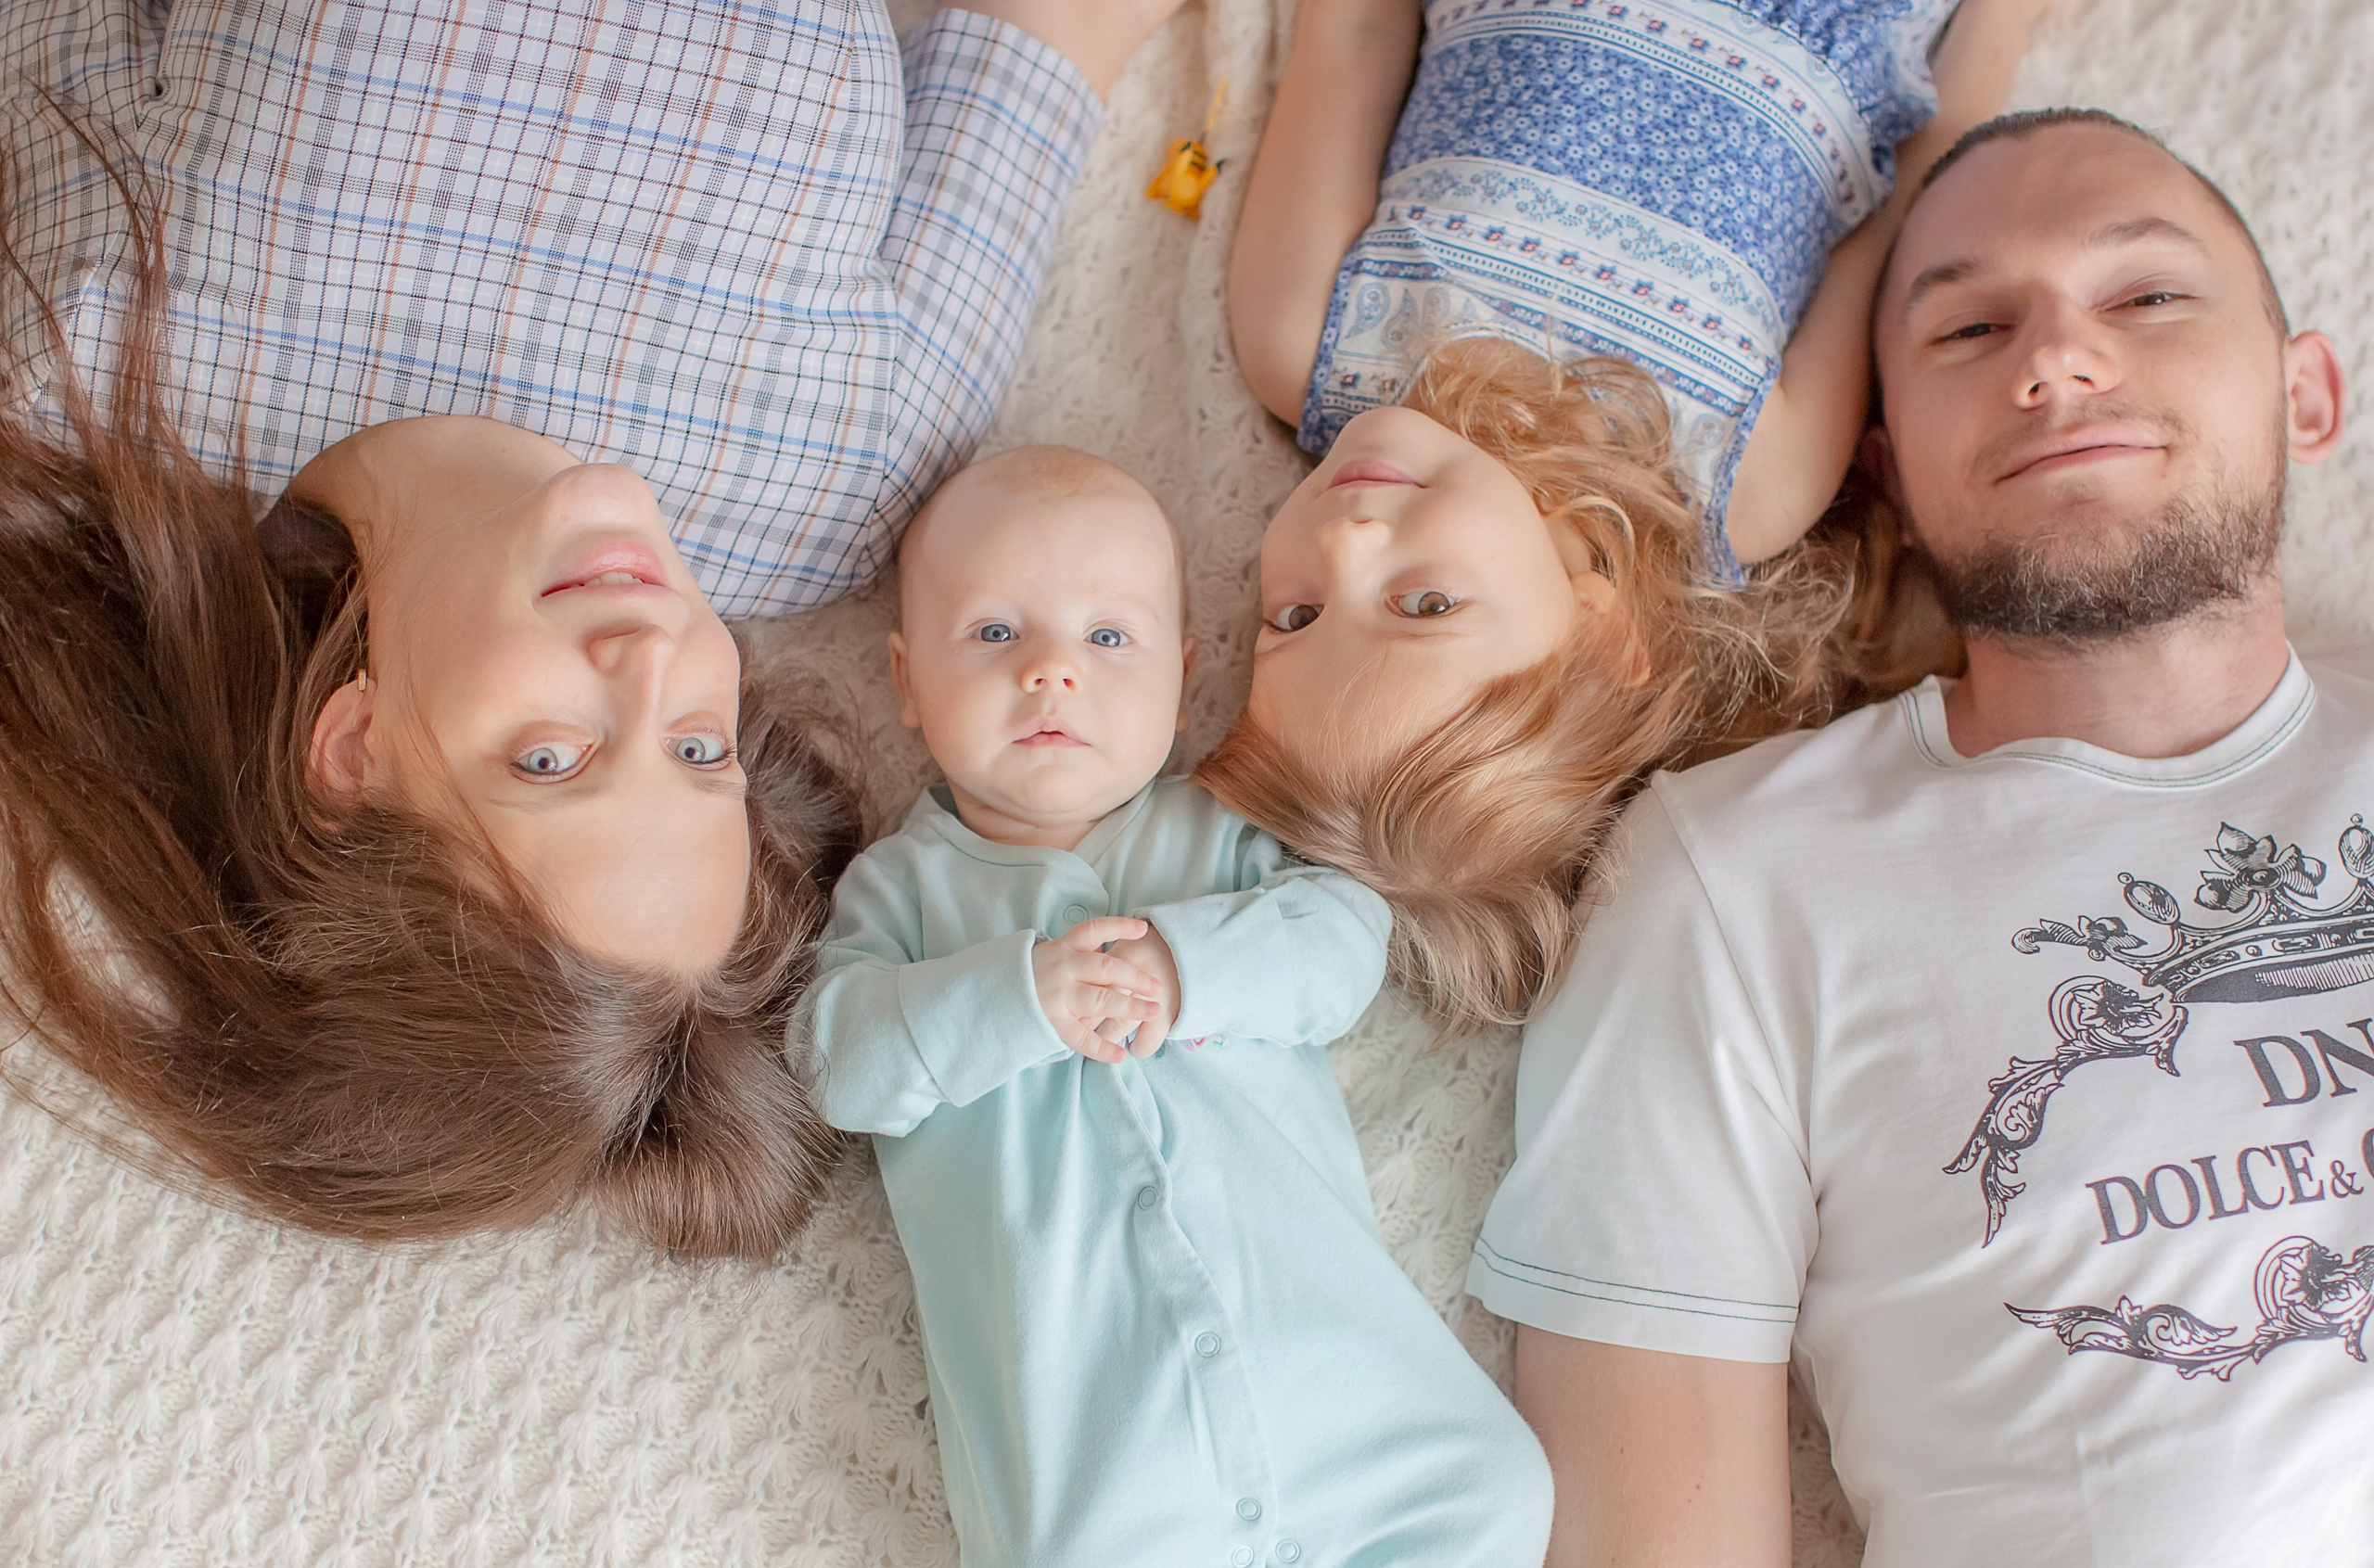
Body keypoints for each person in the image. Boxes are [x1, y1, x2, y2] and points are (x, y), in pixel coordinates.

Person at [0, 0, 1180, 1254]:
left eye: (553, 757)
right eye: (695, 749)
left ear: (351, 749)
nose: (653, 656)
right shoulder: (854, 475)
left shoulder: (97, 347)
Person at [1471, 109, 2360, 1566]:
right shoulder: (1729, 878)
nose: (2056, 359)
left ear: (2304, 392)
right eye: (1968, 329)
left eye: (2146, 294)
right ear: (1885, 466)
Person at [1199, 0, 2048, 1028]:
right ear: (1602, 625)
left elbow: (1355, 32)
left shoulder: (1305, 339)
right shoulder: (1741, 484)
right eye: (1420, 603)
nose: (1340, 542)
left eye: (1294, 619)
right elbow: (1911, 194)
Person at [799, 447, 1553, 1568]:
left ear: (1181, 671)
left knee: (1494, 1486)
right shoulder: (900, 891)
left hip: (1348, 1399)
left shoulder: (1218, 830)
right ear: (907, 683)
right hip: (1102, 1458)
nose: (1054, 671)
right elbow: (841, 1064)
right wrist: (1018, 997)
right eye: (997, 633)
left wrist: (1190, 962)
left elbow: (1343, 942)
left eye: (1108, 637)